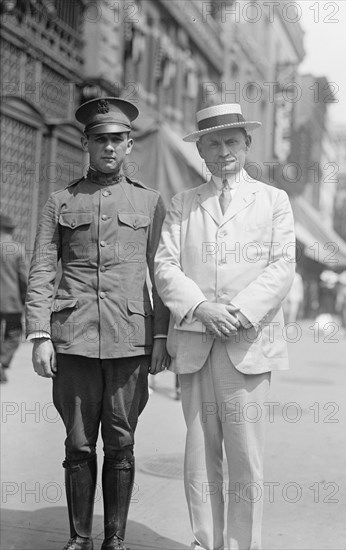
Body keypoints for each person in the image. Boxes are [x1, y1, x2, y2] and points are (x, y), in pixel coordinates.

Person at [25, 97, 170, 550]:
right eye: (100, 139)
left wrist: (162, 335)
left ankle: (115, 540)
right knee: (78, 444)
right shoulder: (60, 201)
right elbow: (43, 268)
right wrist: (40, 334)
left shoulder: (149, 202)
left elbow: (162, 271)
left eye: (118, 140)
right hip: (73, 339)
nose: (109, 147)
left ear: (130, 146)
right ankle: (78, 539)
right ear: (86, 143)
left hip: (131, 339)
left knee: (122, 443)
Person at [155, 103, 295, 550]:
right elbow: (164, 266)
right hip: (196, 342)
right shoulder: (183, 203)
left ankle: (240, 546)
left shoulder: (274, 200)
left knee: (245, 458)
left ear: (246, 144)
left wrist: (235, 312)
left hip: (246, 342)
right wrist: (201, 308)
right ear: (201, 151)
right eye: (212, 143)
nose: (223, 150)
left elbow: (282, 266)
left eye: (231, 141)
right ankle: (203, 541)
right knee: (199, 455)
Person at [0, 213, 27, 383]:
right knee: (14, 333)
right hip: (11, 301)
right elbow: (23, 278)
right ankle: (2, 364)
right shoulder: (17, 249)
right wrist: (25, 299)